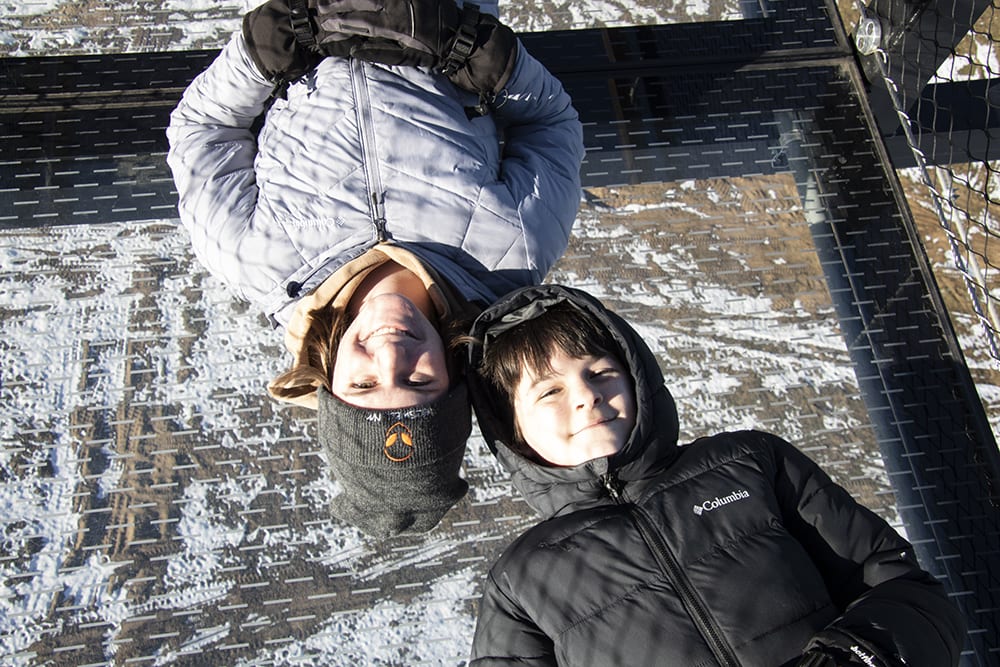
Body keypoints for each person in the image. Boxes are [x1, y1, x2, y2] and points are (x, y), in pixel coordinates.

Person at [165, 0, 584, 537]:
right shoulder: (512, 252)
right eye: (417, 379)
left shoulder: (250, 257)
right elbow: (549, 123)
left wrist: (263, 54)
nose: (390, 353)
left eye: (363, 385)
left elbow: (204, 128)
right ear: (455, 374)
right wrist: (484, 57)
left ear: (329, 381)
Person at [464, 284, 965, 666]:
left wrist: (852, 656)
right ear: (515, 430)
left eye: (599, 371)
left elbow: (906, 590)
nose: (586, 395)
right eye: (548, 391)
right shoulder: (520, 580)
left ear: (636, 376)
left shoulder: (750, 464)